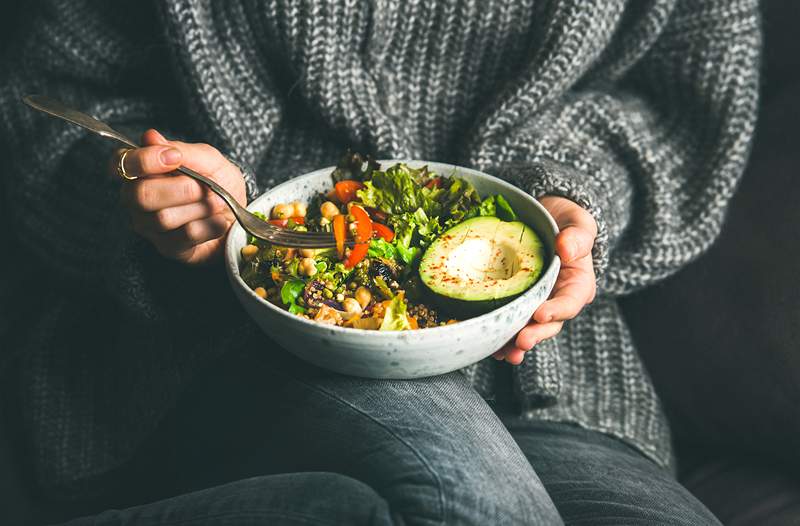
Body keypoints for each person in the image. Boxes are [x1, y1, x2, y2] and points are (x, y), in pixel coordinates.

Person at [0, 0, 760, 524]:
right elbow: (45, 98)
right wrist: (158, 196)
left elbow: (682, 100)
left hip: (553, 372)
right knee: (469, 507)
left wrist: (573, 200)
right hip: (228, 337)